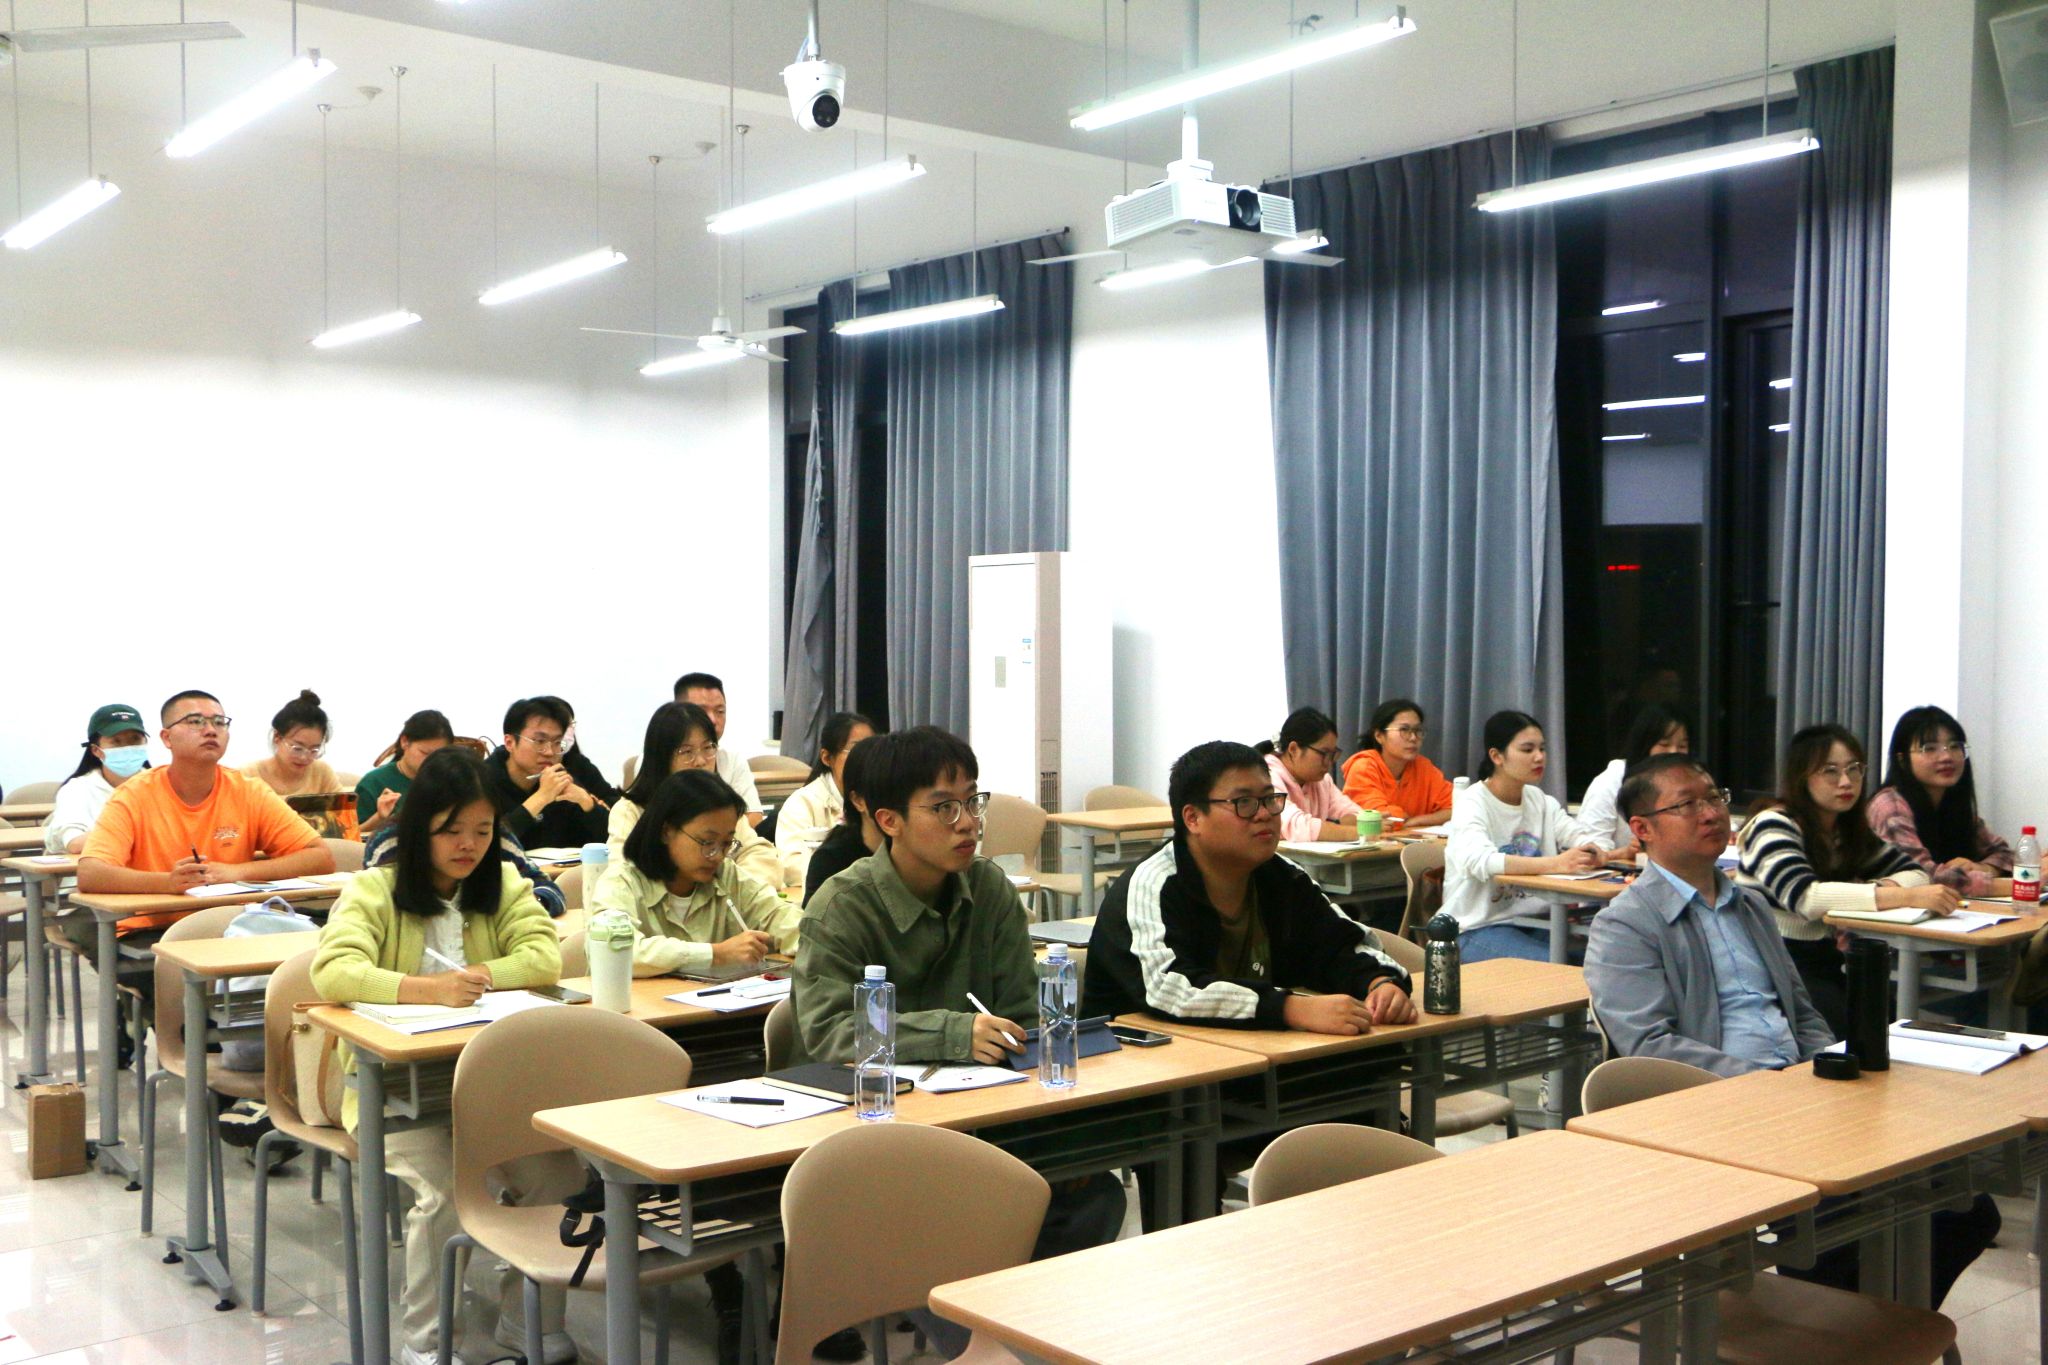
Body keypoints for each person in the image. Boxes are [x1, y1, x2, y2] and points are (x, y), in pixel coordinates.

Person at [1590, 753, 1998, 1308]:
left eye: (1714, 798)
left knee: (1964, 1203)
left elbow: (1800, 1011)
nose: (1711, 813)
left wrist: (1826, 1072)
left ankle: (1864, 1325)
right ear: (1643, 829)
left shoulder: (1751, 905)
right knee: (1848, 1216)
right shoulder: (1625, 924)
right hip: (1717, 1111)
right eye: (1687, 805)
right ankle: (1841, 1320)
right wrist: (1769, 1086)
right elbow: (1649, 1046)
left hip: (1800, 1095)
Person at [789, 727, 1126, 1354]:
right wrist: (953, 1032)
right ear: (888, 820)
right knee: (941, 1220)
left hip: (984, 1121)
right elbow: (830, 1031)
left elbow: (1021, 1018)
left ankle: (1015, 1336)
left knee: (1093, 1189)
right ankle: (994, 1342)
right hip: (876, 1133)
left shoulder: (989, 889)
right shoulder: (843, 905)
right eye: (943, 807)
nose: (968, 822)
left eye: (973, 801)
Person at [311, 747, 566, 1365]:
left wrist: (479, 976)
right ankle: (427, 1345)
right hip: (389, 1091)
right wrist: (427, 990)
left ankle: (524, 1323)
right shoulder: (375, 888)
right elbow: (332, 972)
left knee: (558, 1175)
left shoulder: (502, 883)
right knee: (447, 1193)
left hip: (487, 1086)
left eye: (482, 829)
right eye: (451, 830)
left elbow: (544, 958)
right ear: (419, 827)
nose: (468, 845)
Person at [1084, 738, 1415, 1030]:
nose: (1264, 814)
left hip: (1247, 1052)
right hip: (1142, 1060)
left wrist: (1379, 983)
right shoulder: (1153, 885)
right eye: (1243, 803)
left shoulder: (1283, 876)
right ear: (1193, 818)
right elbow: (1167, 987)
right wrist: (1289, 1008)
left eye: (1270, 799)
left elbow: (1339, 943)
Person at [76, 690, 334, 1023]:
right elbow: (91, 873)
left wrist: (236, 872)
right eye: (195, 721)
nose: (210, 730)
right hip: (155, 927)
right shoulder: (135, 795)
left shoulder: (247, 790)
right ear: (166, 738)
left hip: (233, 924)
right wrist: (167, 883)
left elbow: (318, 857)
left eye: (219, 722)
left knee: (306, 974)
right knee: (195, 1020)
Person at [1739, 724, 1958, 1035]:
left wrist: (1881, 888)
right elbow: (1806, 898)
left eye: (1854, 769)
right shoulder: (1773, 824)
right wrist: (1904, 896)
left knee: (1884, 1021)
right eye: (1830, 771)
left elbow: (1917, 874)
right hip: (1768, 959)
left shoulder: (1843, 830)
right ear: (1802, 776)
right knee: (1853, 1031)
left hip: (1821, 956)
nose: (1846, 781)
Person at [590, 769, 801, 977]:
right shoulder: (621, 882)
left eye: (726, 843)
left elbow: (782, 918)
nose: (717, 856)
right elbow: (614, 952)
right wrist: (715, 954)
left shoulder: (726, 876)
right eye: (707, 842)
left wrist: (808, 940)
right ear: (666, 831)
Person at [1442, 710, 1611, 963]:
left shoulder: (1540, 800)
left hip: (1536, 922)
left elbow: (1577, 834)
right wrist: (1556, 863)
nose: (1539, 757)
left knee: (1600, 960)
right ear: (1496, 756)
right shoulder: (1472, 802)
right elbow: (1481, 860)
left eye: (1542, 748)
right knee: (1556, 969)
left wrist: (1593, 850)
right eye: (1527, 749)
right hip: (1476, 928)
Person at [610, 702, 782, 891]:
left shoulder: (720, 807)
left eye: (708, 748)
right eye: (687, 752)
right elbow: (621, 877)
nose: (700, 761)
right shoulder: (630, 811)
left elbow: (761, 857)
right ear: (661, 757)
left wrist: (726, 892)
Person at [1868, 706, 2014, 899]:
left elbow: (2004, 853)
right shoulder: (1890, 806)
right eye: (1929, 748)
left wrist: (1984, 868)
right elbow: (1921, 875)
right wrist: (2021, 886)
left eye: (1954, 746)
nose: (1946, 757)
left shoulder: (1952, 803)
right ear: (1902, 760)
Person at [484, 696, 608, 850]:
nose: (549, 752)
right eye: (539, 741)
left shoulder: (560, 779)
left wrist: (588, 804)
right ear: (510, 743)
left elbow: (613, 841)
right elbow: (485, 843)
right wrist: (541, 797)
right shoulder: (481, 781)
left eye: (558, 743)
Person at [774, 711, 876, 886]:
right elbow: (792, 868)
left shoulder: (883, 801)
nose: (866, 760)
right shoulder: (802, 803)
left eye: (873, 751)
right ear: (827, 758)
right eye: (856, 750)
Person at [1575, 703, 1691, 854]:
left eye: (1682, 746)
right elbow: (1589, 853)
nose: (1673, 753)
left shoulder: (1687, 782)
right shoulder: (1612, 781)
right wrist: (1626, 852)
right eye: (1664, 744)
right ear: (1645, 744)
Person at [45, 703, 151, 854]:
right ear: (96, 750)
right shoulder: (77, 790)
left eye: (135, 739)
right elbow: (74, 843)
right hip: (98, 867)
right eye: (116, 741)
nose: (127, 747)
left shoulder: (163, 784)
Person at [1340, 698, 1455, 829]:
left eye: (1417, 730)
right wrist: (1405, 819)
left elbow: (1460, 807)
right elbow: (1383, 818)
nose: (1413, 738)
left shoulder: (1423, 766)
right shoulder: (1363, 767)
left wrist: (1419, 820)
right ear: (1379, 736)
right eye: (1404, 730)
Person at [1255, 706, 1363, 841]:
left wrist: (1333, 826)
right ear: (1293, 749)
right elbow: (1296, 827)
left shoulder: (1322, 780)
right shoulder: (1266, 776)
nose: (1329, 763)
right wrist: (1355, 832)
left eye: (1332, 755)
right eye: (1324, 754)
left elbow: (1358, 815)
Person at [673, 671, 764, 825]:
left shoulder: (732, 760)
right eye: (701, 711)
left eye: (720, 711)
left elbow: (753, 817)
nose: (713, 720)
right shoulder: (655, 758)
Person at [802, 740, 882, 903]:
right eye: (888, 790)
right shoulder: (830, 862)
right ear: (858, 800)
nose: (900, 801)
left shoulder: (913, 854)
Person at [355, 710, 456, 837]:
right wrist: (379, 817)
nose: (432, 761)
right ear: (404, 742)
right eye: (425, 753)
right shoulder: (373, 782)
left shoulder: (450, 780)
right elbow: (351, 837)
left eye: (439, 755)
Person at [242, 689, 343, 798]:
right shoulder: (248, 775)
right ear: (277, 737)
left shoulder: (321, 773)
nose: (304, 757)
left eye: (314, 750)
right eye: (297, 748)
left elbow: (344, 807)